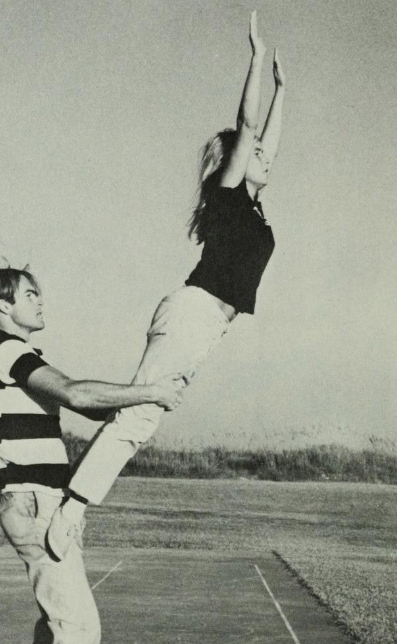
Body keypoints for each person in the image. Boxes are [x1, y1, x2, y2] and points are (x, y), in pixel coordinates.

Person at [47, 11, 285, 556]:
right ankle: (70, 511)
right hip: (193, 312)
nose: (267, 160)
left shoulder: (253, 208)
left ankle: (72, 500)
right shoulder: (227, 197)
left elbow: (267, 139)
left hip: (206, 327)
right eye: (257, 158)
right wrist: (254, 60)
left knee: (142, 417)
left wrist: (283, 90)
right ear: (234, 163)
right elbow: (248, 130)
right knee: (140, 415)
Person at [0, 267, 184, 644]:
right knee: (79, 627)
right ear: (3, 307)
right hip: (37, 506)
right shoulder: (8, 353)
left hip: (39, 503)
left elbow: (80, 401)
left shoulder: (10, 356)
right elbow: (74, 393)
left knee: (54, 623)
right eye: (29, 294)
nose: (41, 301)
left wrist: (127, 400)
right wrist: (149, 391)